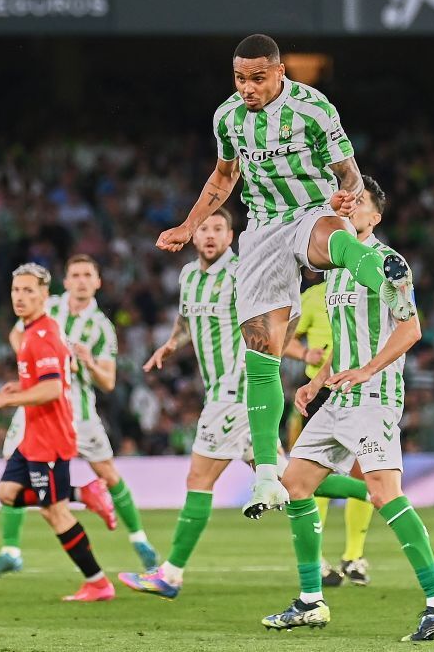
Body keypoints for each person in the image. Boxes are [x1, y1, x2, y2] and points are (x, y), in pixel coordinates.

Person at [156, 33, 417, 519]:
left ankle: (382, 274)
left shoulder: (313, 109)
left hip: (312, 209)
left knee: (330, 239)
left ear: (279, 72)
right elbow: (224, 176)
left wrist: (346, 197)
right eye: (240, 78)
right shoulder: (227, 117)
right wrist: (189, 225)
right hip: (262, 229)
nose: (247, 88)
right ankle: (266, 477)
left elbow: (349, 173)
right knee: (261, 347)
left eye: (258, 78)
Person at [119, 207, 368, 599]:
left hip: (234, 394)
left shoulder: (242, 273)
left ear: (230, 236)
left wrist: (276, 358)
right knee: (289, 480)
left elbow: (287, 312)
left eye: (218, 228)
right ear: (194, 236)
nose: (210, 235)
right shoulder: (188, 276)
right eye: (204, 228)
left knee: (199, 480)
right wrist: (170, 344)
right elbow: (186, 321)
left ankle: (170, 574)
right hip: (220, 394)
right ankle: (375, 493)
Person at [261, 178, 434, 641]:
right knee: (296, 484)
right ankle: (310, 600)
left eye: (360, 204)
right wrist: (316, 381)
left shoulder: (390, 264)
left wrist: (367, 370)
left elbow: (411, 329)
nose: (349, 209)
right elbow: (345, 338)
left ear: (376, 217)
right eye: (346, 202)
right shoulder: (334, 268)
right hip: (339, 395)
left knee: (385, 494)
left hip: (374, 396)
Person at [0, 263, 114, 602]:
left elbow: (52, 389)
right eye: (16, 290)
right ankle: (82, 492)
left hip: (50, 438)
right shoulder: (32, 330)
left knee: (54, 512)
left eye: (28, 291)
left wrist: (4, 401)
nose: (20, 297)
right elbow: (52, 377)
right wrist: (21, 386)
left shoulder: (42, 336)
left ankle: (97, 583)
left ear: (44, 296)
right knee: (7, 493)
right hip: (33, 435)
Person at [9, 254, 158, 570]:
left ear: (98, 282)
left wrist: (88, 362)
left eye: (87, 275)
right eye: (75, 275)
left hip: (80, 412)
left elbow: (108, 381)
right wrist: (43, 360)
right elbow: (16, 335)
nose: (81, 281)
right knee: (13, 469)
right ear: (65, 281)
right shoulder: (47, 306)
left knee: (108, 473)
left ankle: (139, 539)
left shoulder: (102, 327)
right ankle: (10, 550)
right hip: (39, 405)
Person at [285, 277, 375, 588]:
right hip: (321, 392)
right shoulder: (313, 296)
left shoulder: (367, 285)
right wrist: (303, 355)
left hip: (360, 390)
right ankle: (318, 558)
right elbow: (285, 338)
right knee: (313, 475)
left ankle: (353, 556)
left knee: (363, 471)